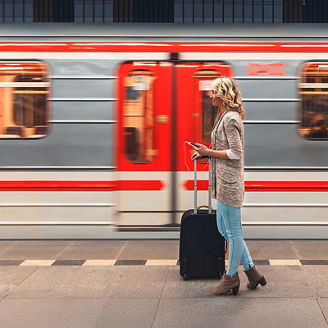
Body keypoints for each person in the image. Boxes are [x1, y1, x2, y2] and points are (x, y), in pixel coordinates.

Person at [191, 77, 267, 296]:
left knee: (233, 232)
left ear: (223, 94)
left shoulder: (231, 118)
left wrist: (209, 152)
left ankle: (231, 277)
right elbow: (223, 147)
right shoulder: (222, 116)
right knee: (224, 229)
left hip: (230, 183)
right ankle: (252, 271)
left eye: (214, 92)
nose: (210, 95)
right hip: (222, 181)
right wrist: (205, 150)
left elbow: (236, 153)